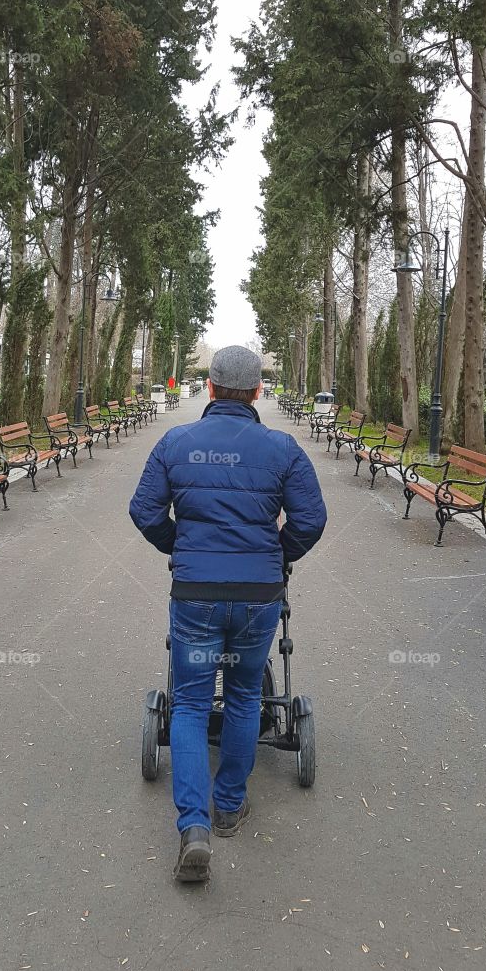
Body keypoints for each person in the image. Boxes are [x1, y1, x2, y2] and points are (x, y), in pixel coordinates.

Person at [129, 345, 327, 883]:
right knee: (244, 695)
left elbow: (144, 510)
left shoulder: (176, 442)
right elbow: (311, 518)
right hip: (257, 597)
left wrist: (181, 546)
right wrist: (277, 555)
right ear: (258, 391)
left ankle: (193, 827)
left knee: (191, 704)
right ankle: (229, 806)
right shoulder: (281, 448)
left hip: (195, 594)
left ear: (211, 389)